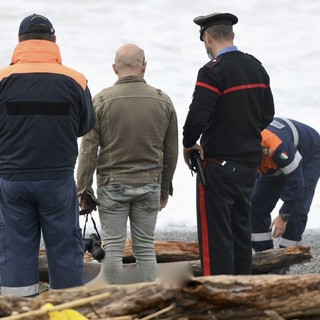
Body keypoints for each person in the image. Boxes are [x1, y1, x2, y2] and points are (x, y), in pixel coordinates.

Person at [0, 14, 95, 296]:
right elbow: (85, 125)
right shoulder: (75, 79)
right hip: (57, 178)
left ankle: (21, 309)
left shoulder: (2, 79)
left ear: (19, 42)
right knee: (64, 244)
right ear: (54, 40)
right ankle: (66, 309)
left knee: (14, 245)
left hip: (12, 179)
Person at [76, 43, 178, 284]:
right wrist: (165, 187)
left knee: (112, 247)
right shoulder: (163, 100)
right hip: (150, 183)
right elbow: (171, 151)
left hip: (113, 186)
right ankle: (145, 301)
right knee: (144, 246)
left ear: (114, 68)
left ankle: (114, 302)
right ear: (144, 66)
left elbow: (88, 150)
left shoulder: (100, 100)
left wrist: (84, 189)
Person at [182, 12, 275, 276]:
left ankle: (218, 300)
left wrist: (189, 143)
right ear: (232, 35)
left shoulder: (212, 71)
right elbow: (267, 113)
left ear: (208, 37)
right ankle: (241, 294)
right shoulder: (256, 66)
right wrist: (243, 133)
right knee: (240, 234)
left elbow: (198, 116)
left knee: (216, 241)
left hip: (218, 166)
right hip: (249, 164)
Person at [251, 117, 320, 251]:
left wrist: (284, 215)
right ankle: (263, 254)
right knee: (256, 204)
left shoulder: (277, 149)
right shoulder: (242, 146)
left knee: (297, 209)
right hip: (273, 161)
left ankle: (287, 257)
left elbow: (297, 184)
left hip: (310, 154)